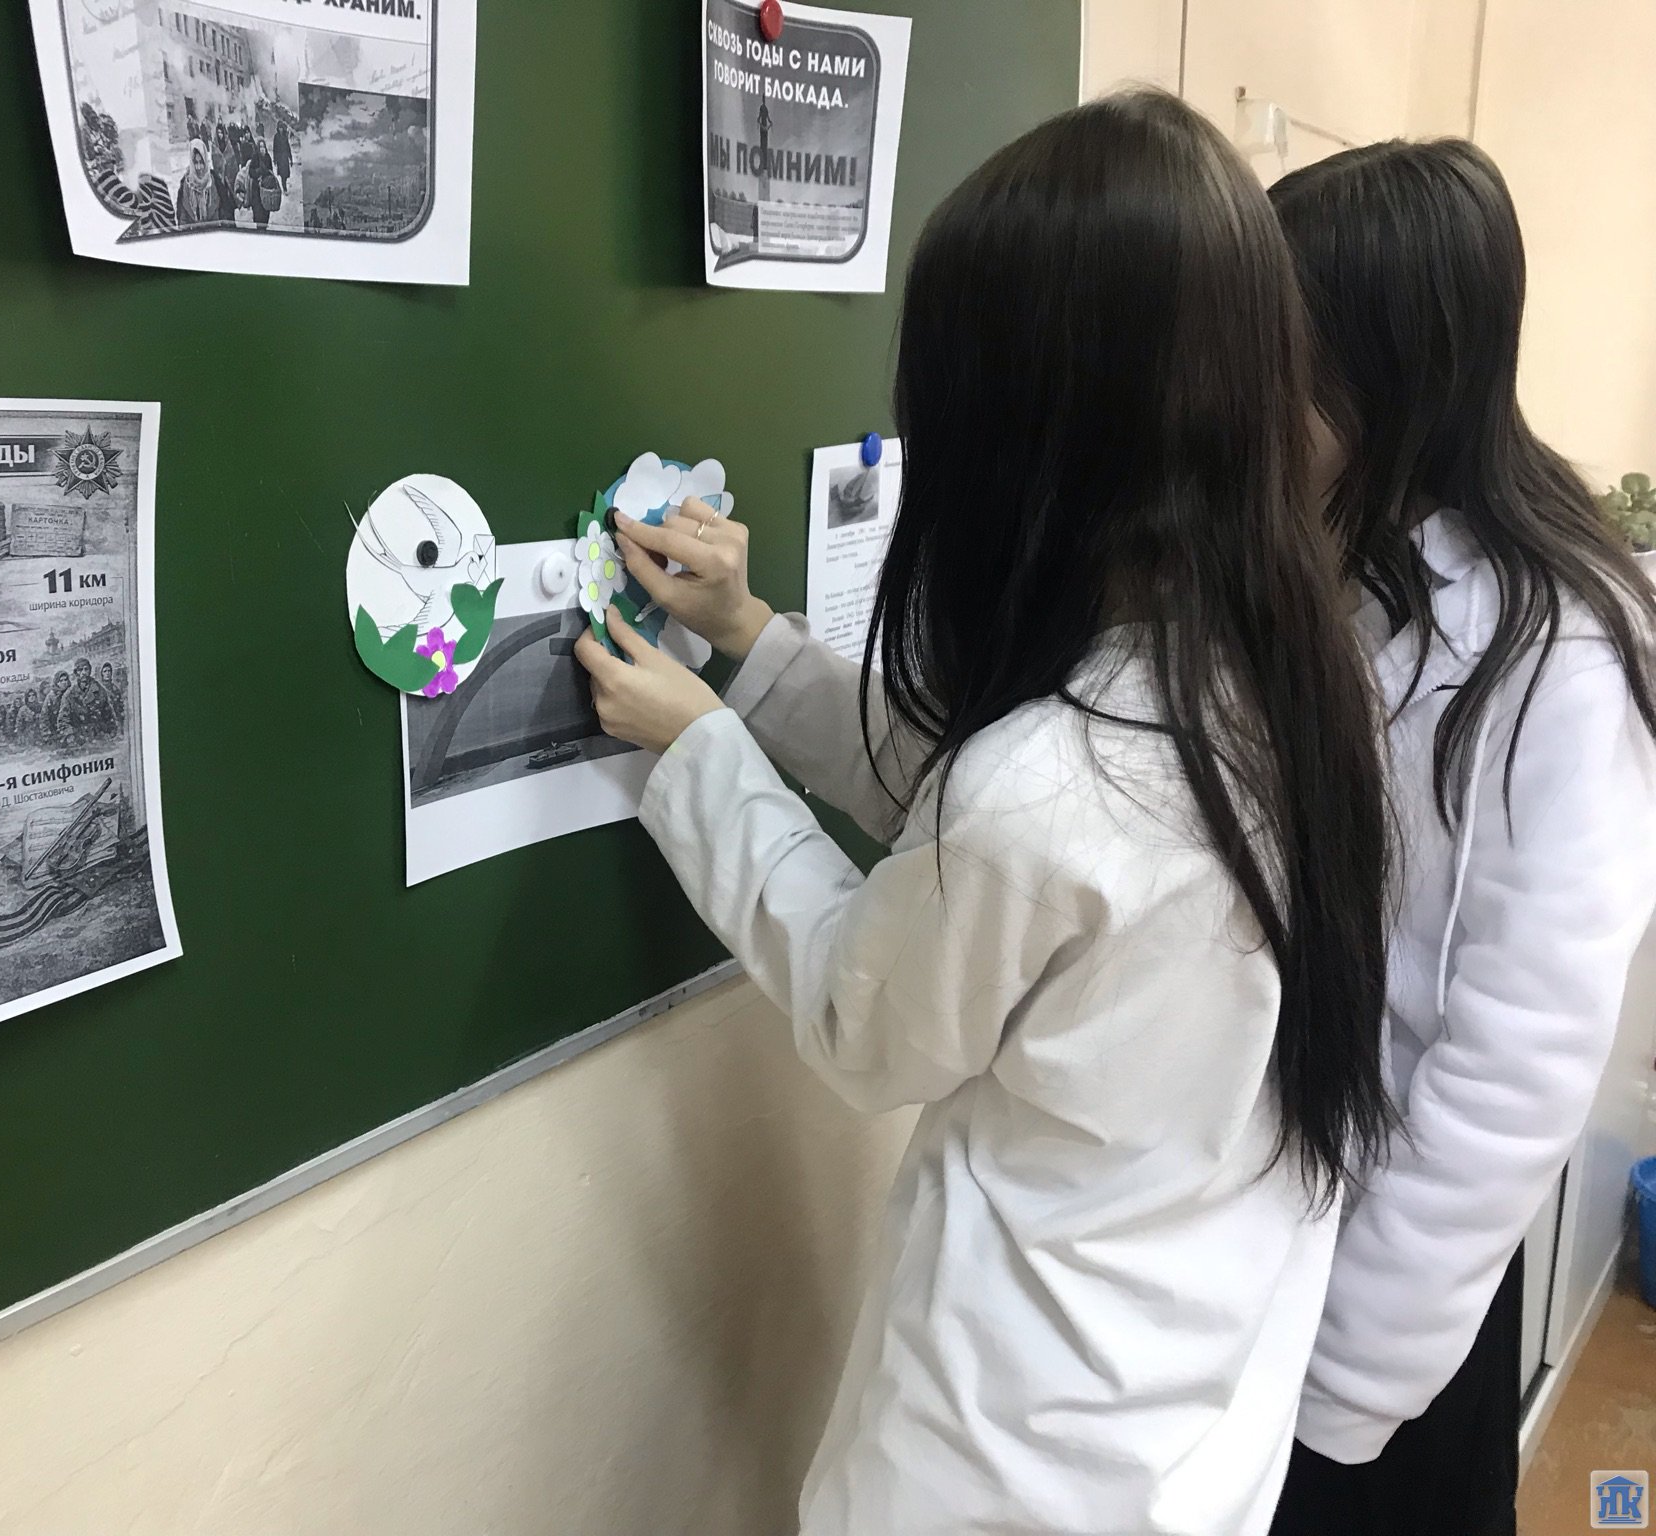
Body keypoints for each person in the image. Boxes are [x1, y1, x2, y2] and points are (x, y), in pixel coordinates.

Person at [575, 90, 1393, 1534]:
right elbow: (978, 807)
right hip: (1182, 1436)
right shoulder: (1289, 690)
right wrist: (752, 642)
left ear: (1024, 434)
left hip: (1008, 1469)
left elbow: (865, 1009)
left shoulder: (1053, 785)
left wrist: (699, 752)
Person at [1264, 140, 1656, 1536]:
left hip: (1396, 1305)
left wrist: (1342, 1386)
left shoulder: (1558, 652)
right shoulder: (1354, 557)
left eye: (1280, 364)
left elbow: (1511, 1072)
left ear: (1382, 375)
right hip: (1293, 1239)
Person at [173, 138, 222, 227]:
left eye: (201, 162)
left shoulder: (215, 182)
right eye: (195, 163)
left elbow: (222, 214)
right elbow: (183, 219)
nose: (199, 167)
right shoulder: (186, 185)